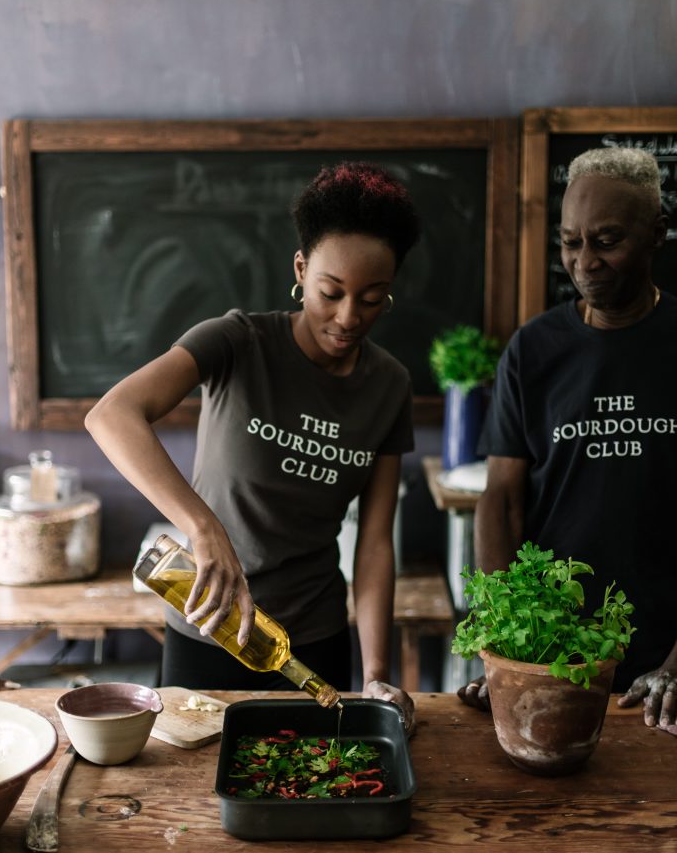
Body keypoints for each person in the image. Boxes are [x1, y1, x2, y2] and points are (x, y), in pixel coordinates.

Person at [85, 161, 420, 731]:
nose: (347, 317)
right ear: (300, 268)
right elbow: (112, 415)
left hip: (314, 640)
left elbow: (374, 543)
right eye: (331, 292)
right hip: (207, 630)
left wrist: (375, 673)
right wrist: (203, 527)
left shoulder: (390, 385)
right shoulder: (237, 342)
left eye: (372, 299)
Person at [459, 146, 677, 737]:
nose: (585, 261)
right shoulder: (533, 351)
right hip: (553, 653)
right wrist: (505, 644)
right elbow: (501, 502)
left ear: (656, 234)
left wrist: (676, 666)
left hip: (666, 658)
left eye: (607, 241)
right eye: (570, 242)